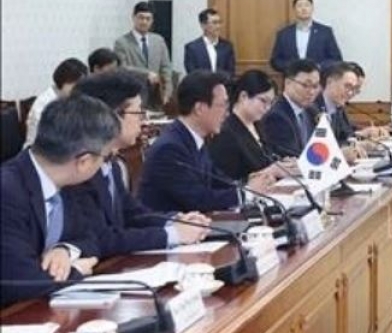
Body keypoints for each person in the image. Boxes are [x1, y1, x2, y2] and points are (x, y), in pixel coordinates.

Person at [68, 71, 209, 256]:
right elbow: (103, 239)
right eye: (138, 113)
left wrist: (175, 221)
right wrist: (173, 235)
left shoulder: (113, 164)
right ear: (112, 117)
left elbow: (132, 214)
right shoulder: (81, 169)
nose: (144, 122)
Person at [1, 95, 116, 305]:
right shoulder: (8, 192)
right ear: (84, 162)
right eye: (105, 158)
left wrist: (65, 250)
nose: (104, 165)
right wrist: (76, 270)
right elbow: (21, 282)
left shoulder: (66, 181)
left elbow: (92, 237)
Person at [138, 71, 275, 213]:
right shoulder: (170, 148)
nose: (227, 113)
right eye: (222, 105)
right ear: (199, 109)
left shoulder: (194, 138)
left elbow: (218, 181)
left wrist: (247, 184)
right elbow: (198, 199)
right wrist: (246, 193)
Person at [209, 71, 291, 182]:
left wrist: (284, 164)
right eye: (263, 101)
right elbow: (226, 181)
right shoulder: (225, 132)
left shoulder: (258, 124)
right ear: (243, 96)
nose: (267, 108)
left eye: (271, 103)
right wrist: (270, 171)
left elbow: (267, 158)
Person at [113, 1, 174, 106]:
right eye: (141, 18)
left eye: (148, 18)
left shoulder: (159, 40)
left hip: (156, 97)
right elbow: (121, 68)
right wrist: (146, 74)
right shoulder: (121, 42)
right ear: (133, 17)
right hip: (133, 97)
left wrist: (167, 93)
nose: (144, 22)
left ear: (152, 20)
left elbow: (166, 68)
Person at [261, 59, 322, 159]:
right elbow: (289, 154)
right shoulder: (276, 116)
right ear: (288, 83)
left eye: (315, 86)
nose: (311, 92)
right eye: (305, 85)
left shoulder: (312, 111)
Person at [269, 0, 342, 74]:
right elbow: (275, 61)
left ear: (312, 8)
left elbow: (336, 58)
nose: (303, 9)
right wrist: (292, 67)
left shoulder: (325, 32)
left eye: (307, 5)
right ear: (294, 9)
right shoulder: (283, 34)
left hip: (318, 78)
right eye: (299, 6)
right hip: (292, 78)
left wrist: (318, 67)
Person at [24, 58, 88, 148]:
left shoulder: (68, 98)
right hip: (40, 148)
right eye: (76, 85)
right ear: (64, 80)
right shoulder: (44, 103)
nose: (79, 90)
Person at [183, 8, 236, 74]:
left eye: (219, 22)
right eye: (214, 23)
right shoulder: (192, 48)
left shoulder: (227, 47)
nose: (218, 26)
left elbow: (230, 72)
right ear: (203, 25)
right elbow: (192, 73)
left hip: (223, 81)